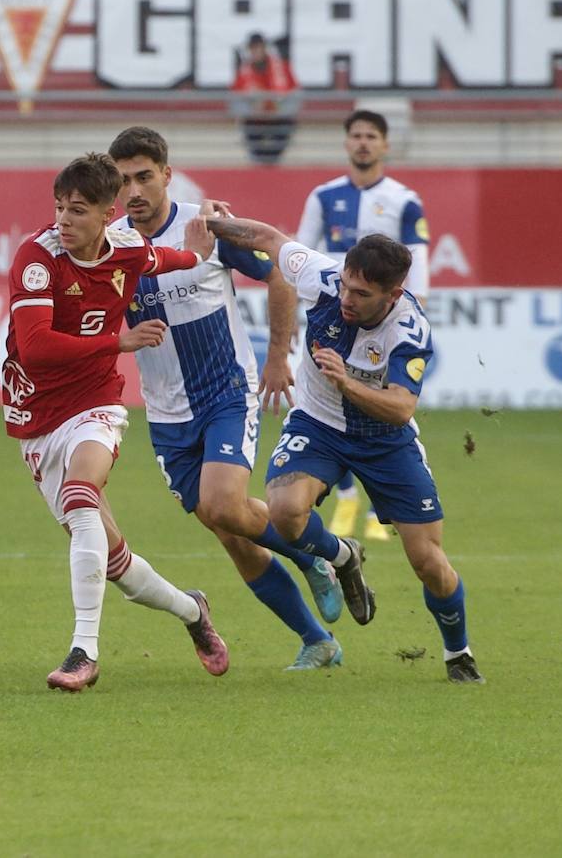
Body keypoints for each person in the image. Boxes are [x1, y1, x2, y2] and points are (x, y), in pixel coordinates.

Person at [203, 213, 483, 684]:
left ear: (392, 294)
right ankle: (341, 557)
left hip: (385, 441)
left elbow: (399, 407)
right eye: (347, 287)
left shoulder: (409, 329)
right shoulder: (323, 275)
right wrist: (209, 222)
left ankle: (458, 653)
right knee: (285, 511)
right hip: (318, 424)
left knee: (429, 564)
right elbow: (269, 238)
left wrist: (346, 381)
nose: (347, 300)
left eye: (362, 295)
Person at [106, 127, 348, 670]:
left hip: (225, 395)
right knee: (231, 532)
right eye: (123, 182)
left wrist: (277, 357)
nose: (135, 190)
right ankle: (317, 639)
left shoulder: (210, 226)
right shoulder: (112, 245)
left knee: (223, 505)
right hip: (167, 414)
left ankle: (322, 553)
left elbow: (283, 273)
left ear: (167, 174)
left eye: (145, 176)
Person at [2, 152, 229, 692]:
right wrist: (119, 341)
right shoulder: (37, 258)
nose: (63, 220)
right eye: (59, 207)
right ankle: (192, 611)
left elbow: (165, 258)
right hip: (37, 415)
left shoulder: (126, 249)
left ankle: (84, 652)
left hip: (96, 403)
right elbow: (34, 349)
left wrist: (196, 254)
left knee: (82, 497)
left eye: (77, 210)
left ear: (109, 214)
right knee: (112, 559)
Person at [297, 109, 431, 541]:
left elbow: (418, 267)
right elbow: (302, 250)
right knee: (327, 405)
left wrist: (406, 318)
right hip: (335, 316)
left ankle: (379, 506)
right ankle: (347, 495)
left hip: (380, 320)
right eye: (355, 135)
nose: (363, 143)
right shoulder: (323, 196)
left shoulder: (404, 200)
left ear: (385, 144)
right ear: (346, 142)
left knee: (385, 405)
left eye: (371, 136)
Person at [229, 32, 299, 165]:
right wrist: (251, 108)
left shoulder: (282, 68)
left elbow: (294, 94)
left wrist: (278, 109)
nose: (255, 52)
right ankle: (260, 163)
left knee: (285, 129)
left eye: (258, 47)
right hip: (254, 121)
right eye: (252, 48)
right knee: (250, 132)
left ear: (264, 48)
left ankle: (271, 162)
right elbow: (235, 99)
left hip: (280, 119)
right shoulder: (244, 72)